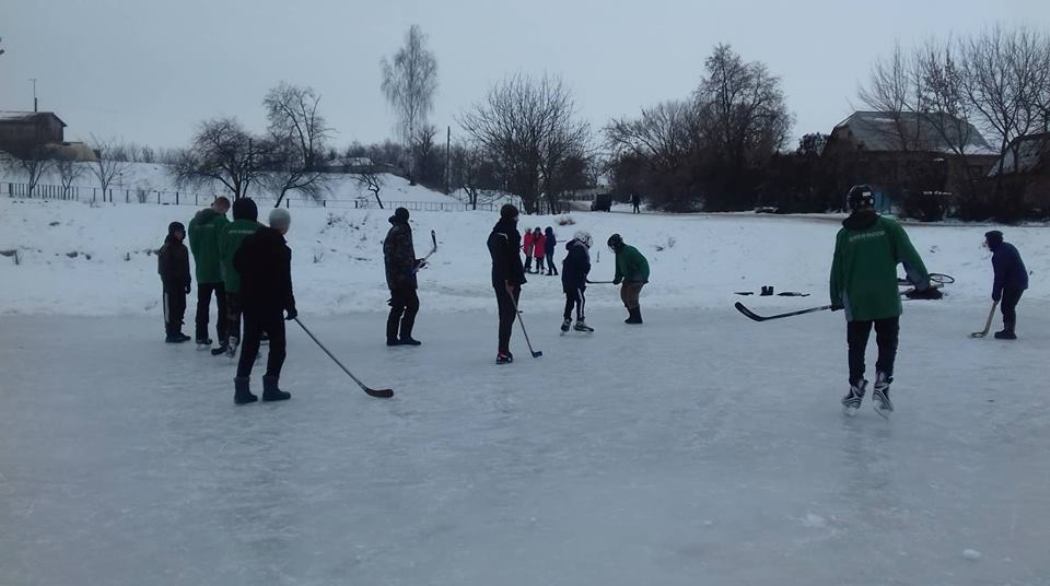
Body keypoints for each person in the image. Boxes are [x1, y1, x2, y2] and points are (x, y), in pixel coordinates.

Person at [831, 184, 936, 415]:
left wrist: (837, 297)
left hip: (857, 302)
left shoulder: (845, 234)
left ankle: (856, 385)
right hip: (886, 299)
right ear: (872, 204)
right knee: (887, 343)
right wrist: (923, 284)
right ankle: (882, 382)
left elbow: (837, 269)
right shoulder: (889, 228)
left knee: (856, 346)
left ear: (851, 204)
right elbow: (910, 256)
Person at [232, 208, 297, 404]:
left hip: (250, 301)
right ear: (284, 226)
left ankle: (241, 390)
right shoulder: (281, 249)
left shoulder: (249, 242)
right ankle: (271, 387)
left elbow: (236, 263)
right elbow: (284, 280)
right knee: (278, 346)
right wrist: (290, 306)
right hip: (271, 304)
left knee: (250, 344)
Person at [217, 198, 262, 358]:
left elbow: (221, 253)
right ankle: (253, 349)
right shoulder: (259, 229)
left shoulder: (227, 229)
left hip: (232, 282)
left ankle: (231, 342)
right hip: (254, 284)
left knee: (232, 316)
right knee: (252, 318)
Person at [188, 196, 230, 350]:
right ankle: (223, 337)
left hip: (202, 271)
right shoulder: (221, 222)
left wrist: (200, 260)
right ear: (224, 208)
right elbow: (227, 245)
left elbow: (193, 246)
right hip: (220, 273)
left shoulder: (194, 222)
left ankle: (201, 336)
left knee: (202, 305)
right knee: (223, 306)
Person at [487, 204, 527, 364]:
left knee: (507, 315)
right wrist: (508, 280)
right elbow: (503, 258)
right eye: (516, 216)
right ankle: (503, 351)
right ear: (512, 217)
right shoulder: (507, 232)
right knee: (507, 315)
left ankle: (504, 349)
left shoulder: (497, 230)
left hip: (501, 278)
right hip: (507, 279)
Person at [383, 207, 425, 346]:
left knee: (401, 306)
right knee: (407, 305)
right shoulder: (400, 231)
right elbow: (396, 257)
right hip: (401, 278)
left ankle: (395, 337)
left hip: (401, 276)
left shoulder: (400, 230)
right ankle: (400, 336)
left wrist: (415, 263)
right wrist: (408, 268)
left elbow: (403, 255)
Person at [985, 230, 1028, 340]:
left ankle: (1009, 331)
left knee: (1007, 306)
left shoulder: (999, 255)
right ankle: (1008, 329)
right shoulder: (1007, 247)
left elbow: (999, 277)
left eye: (988, 241)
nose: (986, 243)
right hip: (1018, 280)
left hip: (1014, 282)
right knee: (1008, 306)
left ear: (992, 241)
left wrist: (996, 294)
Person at [158, 221, 191, 343]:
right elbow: (162, 268)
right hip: (170, 284)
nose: (180, 234)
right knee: (171, 308)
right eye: (177, 232)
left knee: (181, 306)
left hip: (181, 283)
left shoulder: (183, 248)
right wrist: (168, 281)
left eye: (182, 232)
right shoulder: (167, 248)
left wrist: (188, 281)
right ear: (172, 233)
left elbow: (186, 267)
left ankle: (177, 330)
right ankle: (170, 333)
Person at [608, 233, 650, 324]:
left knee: (631, 296)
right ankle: (632, 315)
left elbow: (643, 263)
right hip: (629, 276)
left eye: (613, 246)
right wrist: (617, 278)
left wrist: (643, 277)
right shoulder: (618, 254)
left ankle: (637, 318)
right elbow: (618, 268)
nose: (613, 249)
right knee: (624, 295)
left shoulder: (630, 251)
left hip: (638, 275)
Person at [561, 231, 593, 333]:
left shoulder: (574, 248)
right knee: (580, 300)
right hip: (575, 280)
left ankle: (567, 319)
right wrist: (585, 270)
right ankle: (580, 321)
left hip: (567, 280)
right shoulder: (580, 248)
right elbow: (582, 264)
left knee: (570, 299)